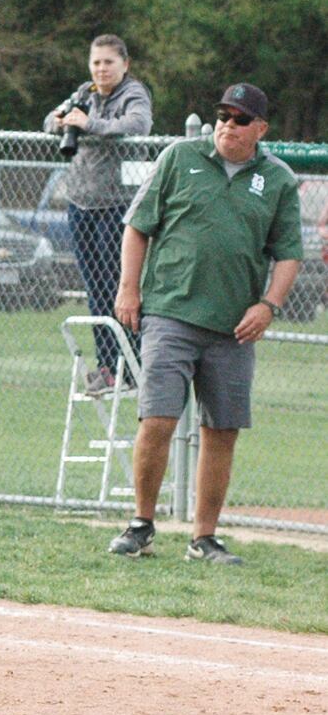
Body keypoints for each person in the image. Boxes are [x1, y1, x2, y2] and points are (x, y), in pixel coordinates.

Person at [110, 83, 301, 565]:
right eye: (222, 116)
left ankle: (204, 537)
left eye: (240, 119)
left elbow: (289, 255)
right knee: (157, 419)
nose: (227, 126)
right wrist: (128, 289)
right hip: (172, 311)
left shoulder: (276, 179)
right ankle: (141, 524)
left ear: (261, 128)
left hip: (234, 327)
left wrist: (268, 305)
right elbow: (138, 226)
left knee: (223, 430)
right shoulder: (180, 158)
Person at [44, 35, 153, 394]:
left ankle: (129, 366)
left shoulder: (133, 94)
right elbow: (48, 121)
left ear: (125, 64)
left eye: (108, 62)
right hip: (81, 202)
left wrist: (90, 125)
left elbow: (138, 126)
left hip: (117, 207)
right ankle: (107, 366)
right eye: (96, 63)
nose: (101, 69)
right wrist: (62, 121)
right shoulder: (86, 91)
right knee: (94, 289)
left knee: (118, 288)